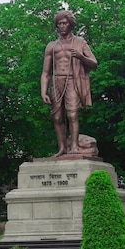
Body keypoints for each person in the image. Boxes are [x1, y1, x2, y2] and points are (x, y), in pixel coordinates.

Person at [40, 10, 98, 156]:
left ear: (70, 24)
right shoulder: (51, 46)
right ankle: (62, 148)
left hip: (73, 80)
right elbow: (46, 72)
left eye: (64, 23)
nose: (62, 26)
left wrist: (81, 57)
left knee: (72, 115)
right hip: (57, 81)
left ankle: (74, 147)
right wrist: (43, 91)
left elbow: (94, 63)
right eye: (59, 23)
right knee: (57, 117)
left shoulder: (80, 42)